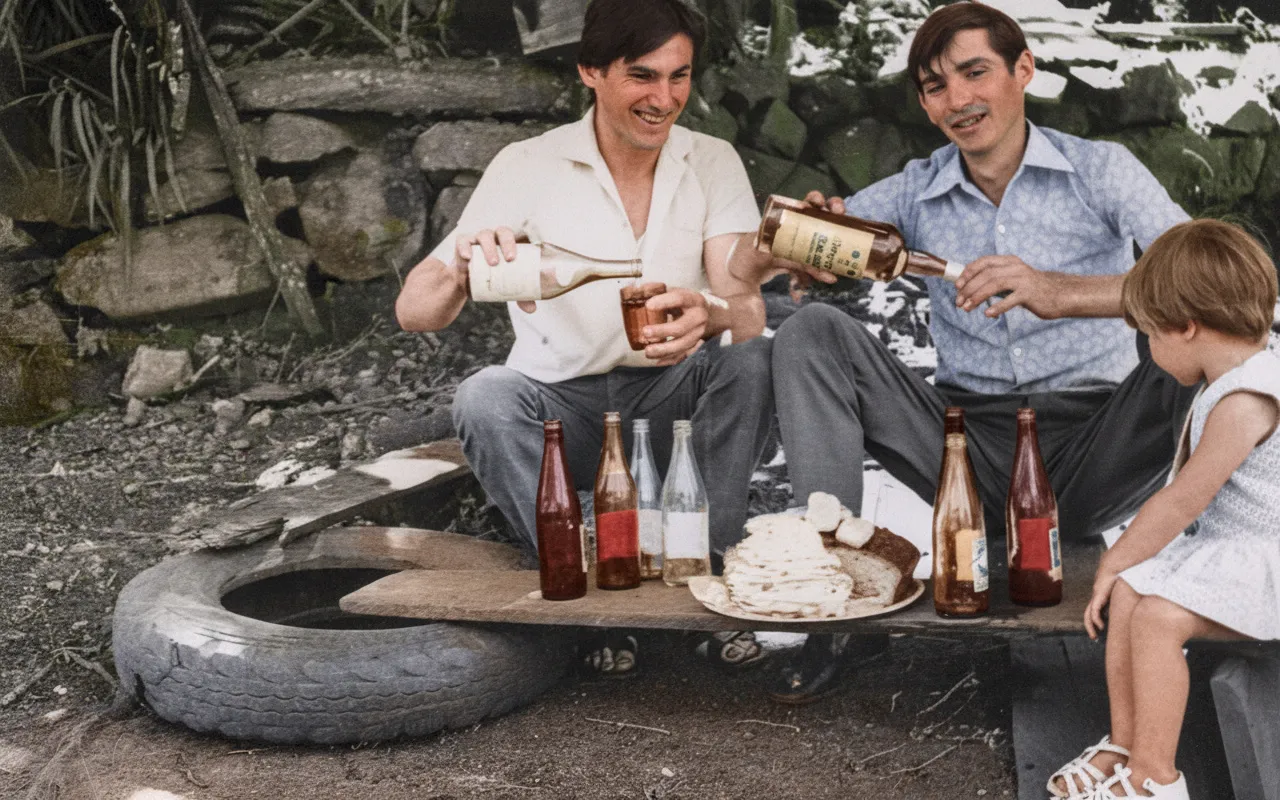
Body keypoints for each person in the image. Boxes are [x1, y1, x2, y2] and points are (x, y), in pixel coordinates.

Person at [759, 1, 1198, 703]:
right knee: (813, 334)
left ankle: (1224, 573)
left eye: (975, 73)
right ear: (926, 104)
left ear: (1023, 70)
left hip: (1099, 442)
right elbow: (777, 250)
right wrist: (808, 243)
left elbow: (1217, 278)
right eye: (936, 85)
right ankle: (836, 600)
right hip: (967, 453)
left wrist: (1063, 291)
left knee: (1197, 337)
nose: (959, 100)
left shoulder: (1101, 171)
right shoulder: (916, 185)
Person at [395, 0, 807, 673]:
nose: (664, 98)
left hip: (672, 403)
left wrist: (710, 310)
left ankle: (706, 572)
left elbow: (746, 310)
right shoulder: (528, 163)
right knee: (485, 395)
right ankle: (584, 589)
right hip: (565, 410)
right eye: (643, 77)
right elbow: (416, 312)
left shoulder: (711, 160)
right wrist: (469, 259)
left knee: (750, 362)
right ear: (590, 70)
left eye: (680, 77)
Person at [1044, 219, 1280, 800]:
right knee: (1130, 592)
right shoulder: (1236, 373)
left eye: (1149, 335)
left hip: (1265, 561)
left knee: (1157, 619)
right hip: (1228, 549)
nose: (1148, 350)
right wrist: (1123, 570)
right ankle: (1125, 745)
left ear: (1187, 328)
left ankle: (1156, 777)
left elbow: (1182, 500)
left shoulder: (1247, 398)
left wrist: (1111, 557)